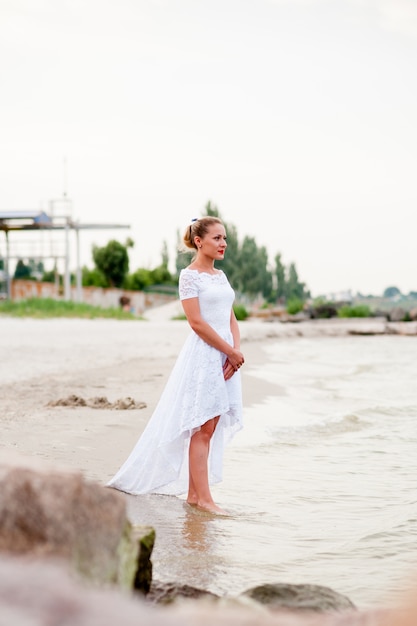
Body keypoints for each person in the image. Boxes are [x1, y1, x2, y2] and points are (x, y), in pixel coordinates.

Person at [107, 216, 245, 515]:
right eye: (217, 238)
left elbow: (230, 316)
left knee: (213, 424)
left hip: (226, 355)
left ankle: (195, 497)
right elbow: (196, 323)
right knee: (202, 426)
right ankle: (205, 500)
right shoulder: (189, 276)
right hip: (205, 355)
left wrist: (236, 349)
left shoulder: (220, 277)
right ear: (199, 241)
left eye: (224, 238)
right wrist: (227, 352)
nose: (223, 244)